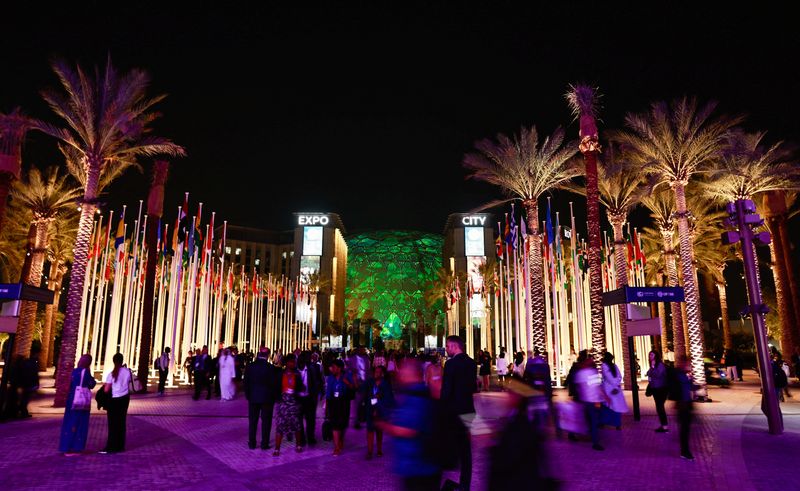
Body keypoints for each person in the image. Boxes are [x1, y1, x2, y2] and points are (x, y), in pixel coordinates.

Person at [377, 358, 441, 491]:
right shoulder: (417, 392)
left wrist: (383, 424)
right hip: (417, 465)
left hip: (419, 467)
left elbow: (408, 430)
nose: (400, 373)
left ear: (412, 373)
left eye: (403, 370)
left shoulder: (416, 395)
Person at [441, 335, 477, 491]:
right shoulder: (471, 363)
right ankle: (465, 485)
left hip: (453, 412)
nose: (446, 349)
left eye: (447, 346)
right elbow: (472, 388)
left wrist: (442, 408)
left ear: (454, 346)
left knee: (445, 444)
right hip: (468, 410)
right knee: (465, 451)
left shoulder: (450, 365)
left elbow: (447, 391)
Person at [58, 354, 97, 455]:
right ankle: (74, 447)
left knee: (69, 422)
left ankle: (65, 446)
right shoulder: (85, 372)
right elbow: (91, 384)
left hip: (71, 399)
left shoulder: (74, 371)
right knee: (79, 423)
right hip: (80, 402)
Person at [244, 348, 280, 450]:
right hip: (267, 399)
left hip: (253, 398)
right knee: (266, 421)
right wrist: (275, 397)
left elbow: (246, 382)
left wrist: (248, 395)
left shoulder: (250, 366)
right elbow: (274, 385)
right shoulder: (270, 368)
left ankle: (252, 443)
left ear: (258, 355)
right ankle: (264, 444)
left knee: (253, 421)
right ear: (267, 355)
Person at [274, 354, 304, 456]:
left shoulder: (297, 374)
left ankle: (298, 445)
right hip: (283, 403)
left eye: (294, 362)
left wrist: (297, 391)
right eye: (291, 361)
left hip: (294, 403)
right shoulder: (280, 374)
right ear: (286, 363)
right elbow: (276, 387)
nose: (293, 363)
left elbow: (301, 388)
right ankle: (277, 448)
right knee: (280, 426)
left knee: (297, 425)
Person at [100, 353, 131, 453]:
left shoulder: (111, 374)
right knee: (121, 422)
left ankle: (111, 446)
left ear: (114, 361)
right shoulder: (127, 372)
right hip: (124, 399)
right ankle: (120, 446)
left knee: (113, 423)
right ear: (122, 361)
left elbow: (106, 390)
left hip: (114, 400)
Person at [364, 365, 395, 459]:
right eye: (375, 372)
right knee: (370, 431)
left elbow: (390, 399)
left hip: (380, 411)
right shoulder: (370, 383)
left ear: (382, 373)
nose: (377, 373)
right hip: (370, 410)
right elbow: (364, 393)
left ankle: (379, 449)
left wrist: (380, 402)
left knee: (379, 431)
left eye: (379, 372)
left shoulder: (385, 384)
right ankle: (369, 451)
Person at [574, 354, 604, 451]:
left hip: (588, 400)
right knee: (592, 420)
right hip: (590, 401)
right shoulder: (589, 372)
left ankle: (592, 438)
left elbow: (579, 386)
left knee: (588, 419)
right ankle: (594, 441)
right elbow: (597, 387)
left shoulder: (582, 373)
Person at [326, 359, 356, 456]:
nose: (332, 369)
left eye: (334, 367)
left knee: (342, 425)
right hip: (334, 402)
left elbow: (353, 388)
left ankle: (340, 440)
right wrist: (327, 406)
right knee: (335, 425)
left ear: (339, 368)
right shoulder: (330, 378)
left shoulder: (347, 376)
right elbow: (328, 393)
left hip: (343, 402)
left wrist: (347, 382)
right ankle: (336, 447)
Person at [670, 358, 697, 460]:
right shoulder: (679, 375)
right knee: (684, 429)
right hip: (682, 405)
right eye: (687, 364)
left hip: (687, 404)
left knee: (686, 429)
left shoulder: (685, 375)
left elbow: (689, 387)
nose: (689, 366)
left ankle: (685, 450)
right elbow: (678, 388)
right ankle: (684, 451)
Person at [298, 351, 323, 445]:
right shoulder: (296, 369)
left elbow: (319, 380)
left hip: (310, 398)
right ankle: (301, 439)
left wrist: (320, 393)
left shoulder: (314, 367)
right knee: (299, 419)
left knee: (311, 419)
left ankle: (310, 438)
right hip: (299, 398)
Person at [601, 352, 628, 429]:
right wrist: (616, 385)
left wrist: (615, 385)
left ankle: (612, 423)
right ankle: (616, 424)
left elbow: (611, 378)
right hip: (614, 388)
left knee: (611, 406)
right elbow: (618, 377)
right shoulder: (611, 366)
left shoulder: (606, 366)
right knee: (614, 406)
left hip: (610, 389)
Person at [647, 350, 669, 433]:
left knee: (660, 407)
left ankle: (665, 426)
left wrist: (652, 369)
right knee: (659, 407)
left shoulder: (660, 365)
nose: (650, 356)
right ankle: (664, 425)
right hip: (655, 389)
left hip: (661, 389)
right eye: (649, 355)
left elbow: (658, 375)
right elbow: (649, 374)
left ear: (656, 356)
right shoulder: (653, 365)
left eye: (652, 355)